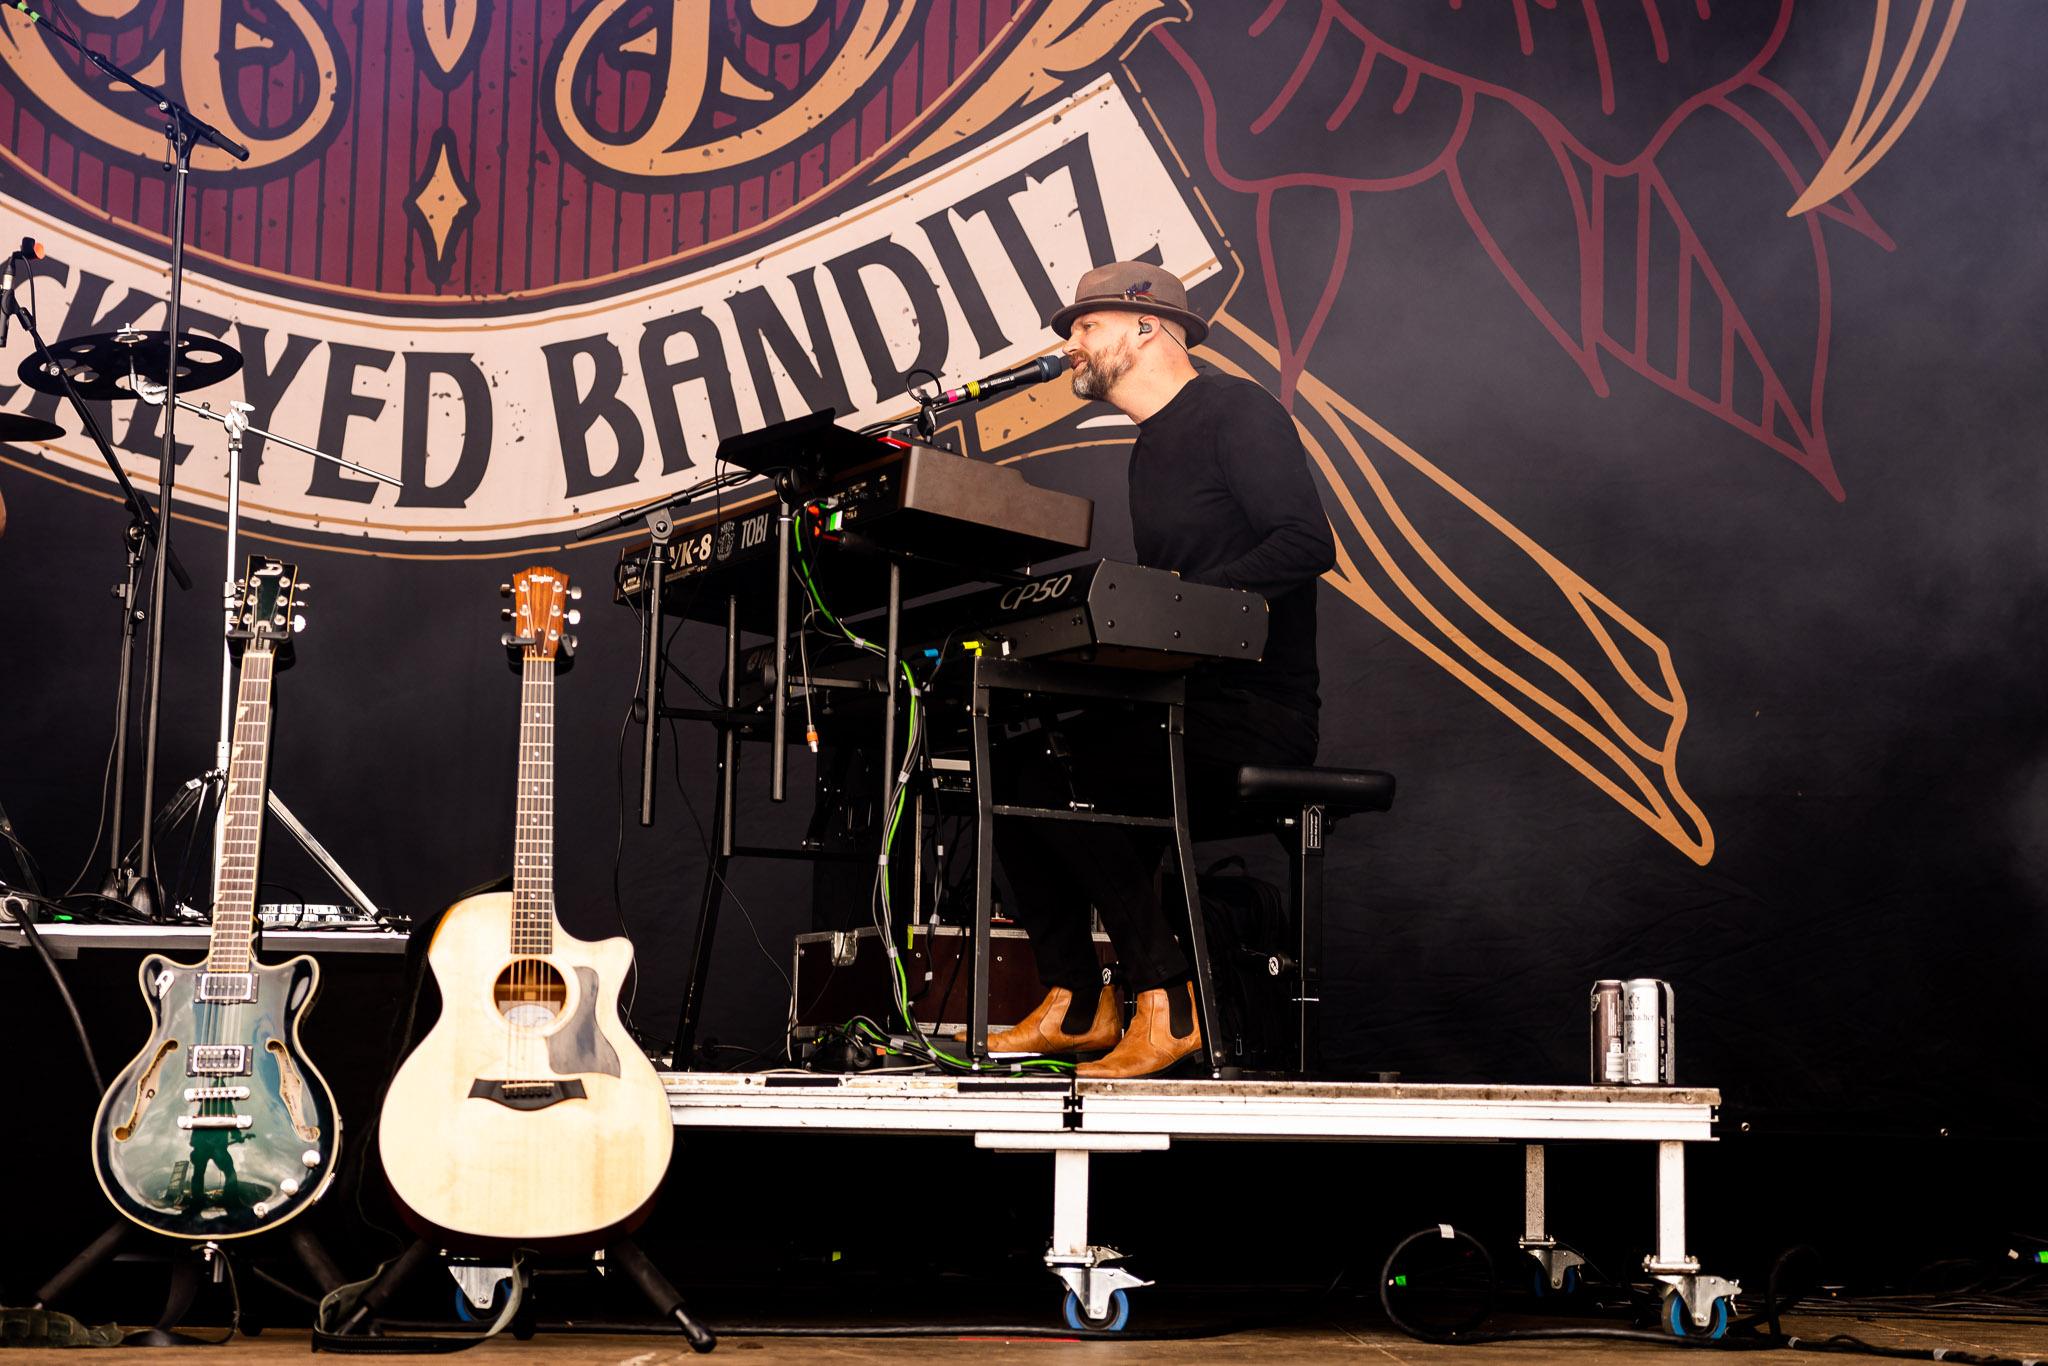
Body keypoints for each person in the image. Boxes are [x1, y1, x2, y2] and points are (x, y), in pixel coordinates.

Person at [987, 263, 1336, 1078]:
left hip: (1255, 712)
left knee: (1066, 774)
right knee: (1011, 764)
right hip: (1178, 703)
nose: (1070, 345)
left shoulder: (1236, 411)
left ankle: (1169, 1002)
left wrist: (1179, 602)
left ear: (1146, 326)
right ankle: (1079, 1002)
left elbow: (1304, 543)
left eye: (1085, 327)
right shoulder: (1147, 451)